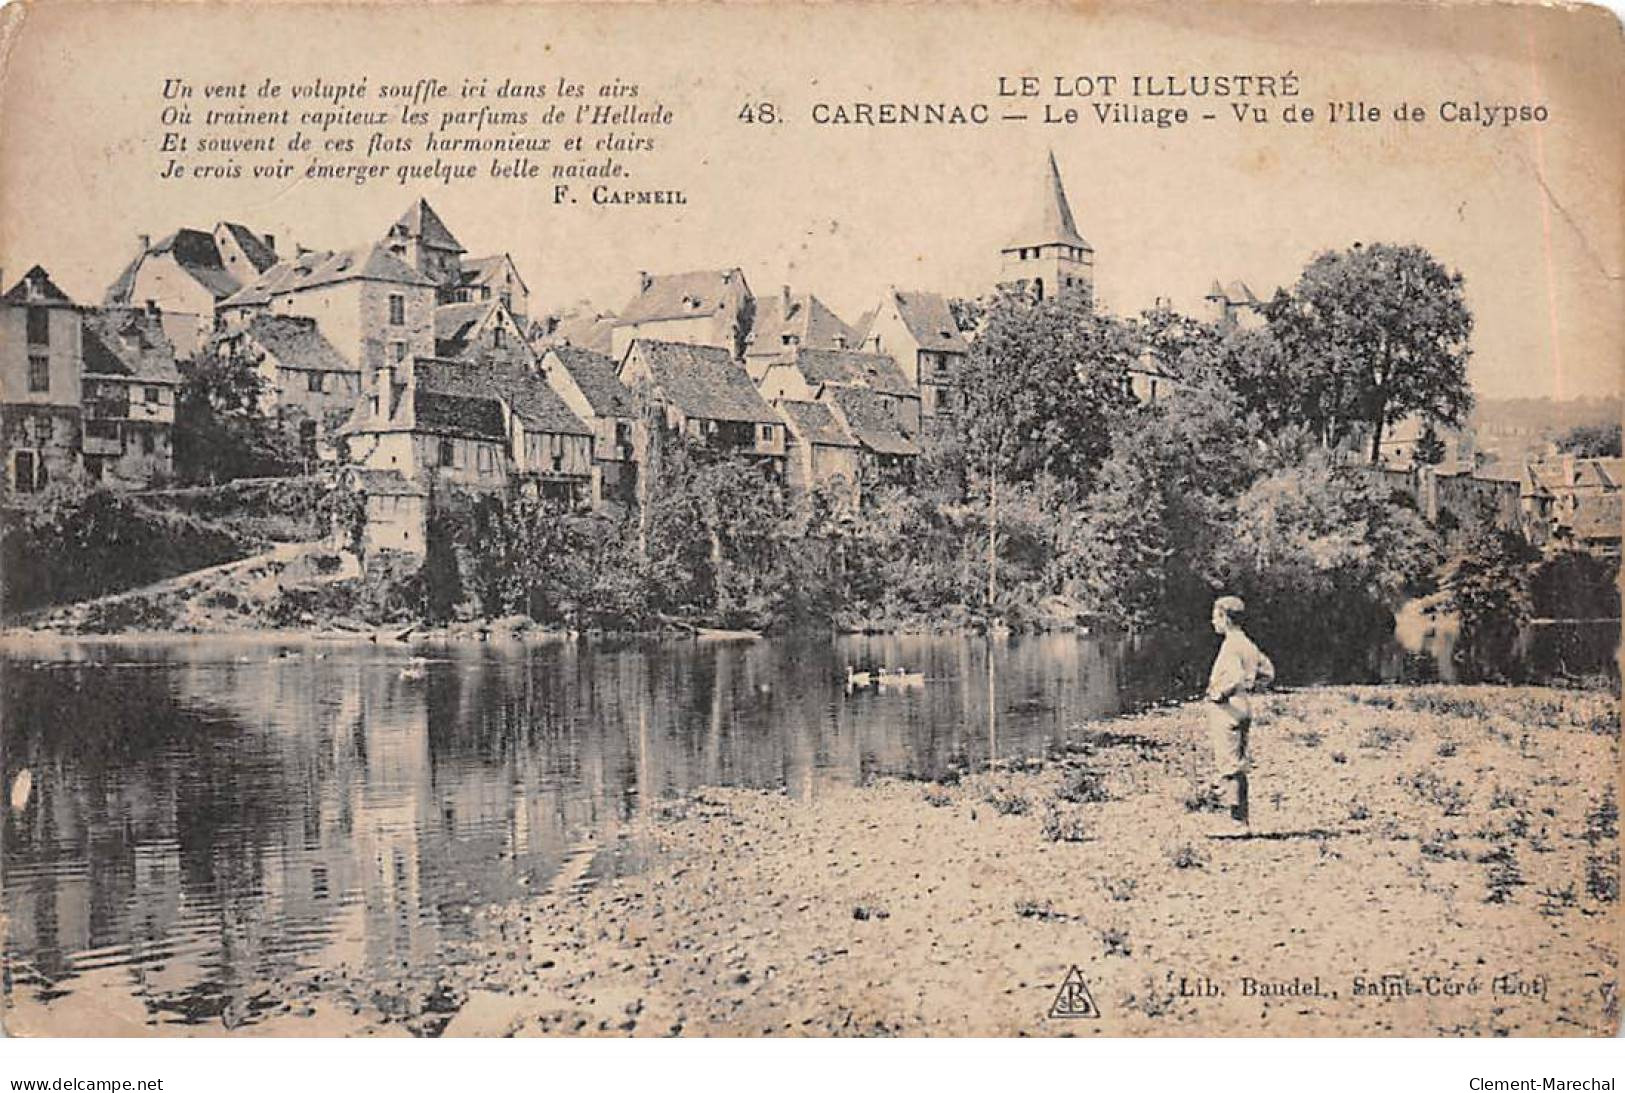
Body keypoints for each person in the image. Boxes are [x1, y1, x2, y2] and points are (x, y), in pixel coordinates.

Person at [1204, 595, 1274, 832]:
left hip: (1229, 709)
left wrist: (1219, 694)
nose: (1213, 621)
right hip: (1243, 706)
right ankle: (1240, 819)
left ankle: (1237, 823)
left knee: (1230, 765)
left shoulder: (1231, 645)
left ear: (1225, 617)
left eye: (1215, 616)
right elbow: (1268, 672)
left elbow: (1234, 677)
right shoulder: (1247, 644)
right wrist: (1251, 685)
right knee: (1237, 763)